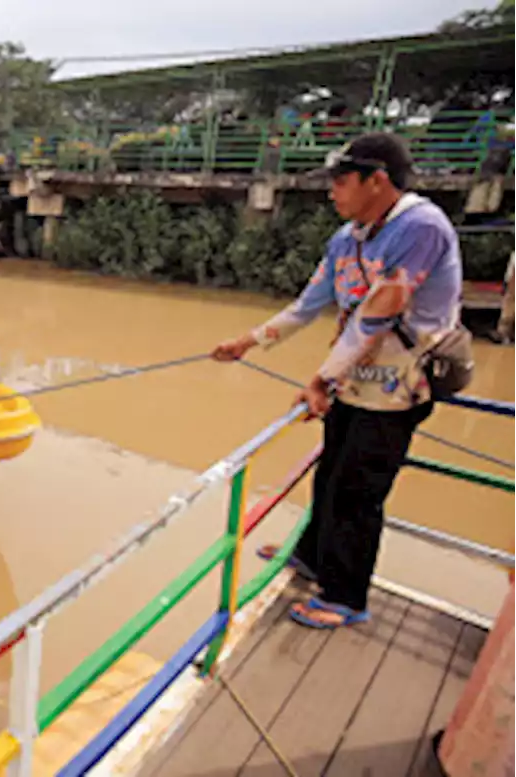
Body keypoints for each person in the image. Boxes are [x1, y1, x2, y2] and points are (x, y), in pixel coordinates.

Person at [211, 132, 463, 629]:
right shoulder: (348, 238)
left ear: (378, 181)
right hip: (355, 380)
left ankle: (345, 597)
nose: (332, 192)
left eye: (342, 180)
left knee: (358, 490)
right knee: (331, 473)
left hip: (400, 386)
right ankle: (312, 556)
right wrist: (248, 341)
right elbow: (309, 304)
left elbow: (375, 318)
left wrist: (321, 382)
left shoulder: (421, 227)